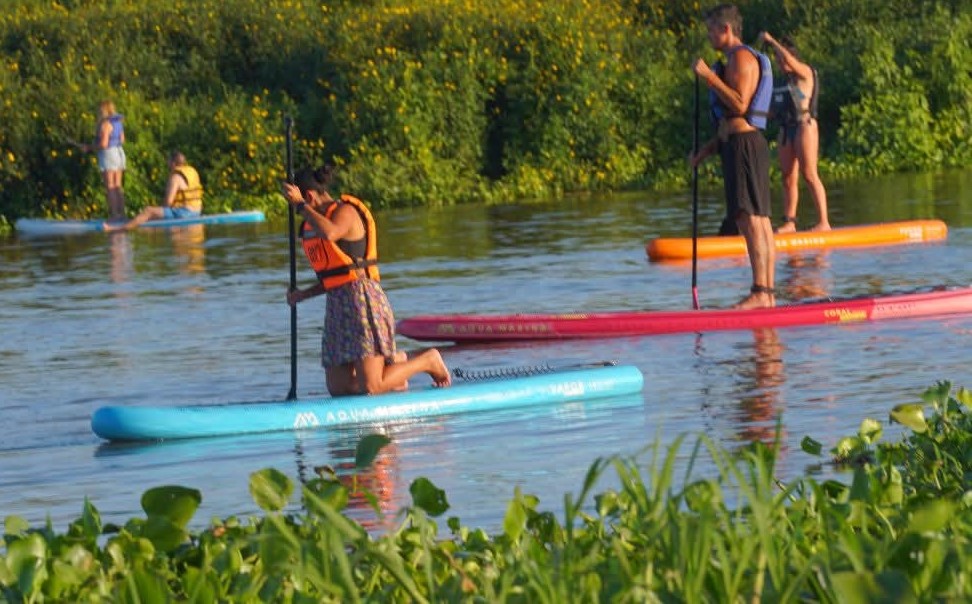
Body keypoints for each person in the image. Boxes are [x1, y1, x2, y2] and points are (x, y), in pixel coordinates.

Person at [280, 165, 452, 396]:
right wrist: (302, 295)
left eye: (300, 202)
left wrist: (300, 206)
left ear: (309, 196)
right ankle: (393, 370)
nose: (298, 210)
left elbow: (331, 233)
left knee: (372, 386)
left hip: (363, 301)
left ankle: (427, 361)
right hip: (337, 304)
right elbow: (336, 276)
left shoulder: (345, 212)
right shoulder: (314, 222)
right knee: (340, 389)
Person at [690, 4, 776, 309]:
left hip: (744, 145)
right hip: (740, 143)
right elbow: (730, 124)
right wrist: (706, 151)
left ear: (726, 29)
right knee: (756, 220)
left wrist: (708, 78)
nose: (709, 35)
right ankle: (765, 294)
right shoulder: (732, 59)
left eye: (711, 29)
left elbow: (739, 105)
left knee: (751, 220)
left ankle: (761, 292)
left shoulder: (740, 57)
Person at [759, 31, 830, 233]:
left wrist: (772, 41)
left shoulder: (805, 72)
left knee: (809, 174)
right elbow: (772, 112)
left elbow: (789, 59)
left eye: (782, 60)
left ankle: (824, 222)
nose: (780, 64)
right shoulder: (781, 83)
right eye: (778, 61)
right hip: (786, 128)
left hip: (805, 125)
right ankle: (790, 222)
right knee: (788, 177)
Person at [103, 151, 203, 232]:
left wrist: (156, 211)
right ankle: (137, 224)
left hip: (184, 213)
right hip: (197, 211)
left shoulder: (175, 177)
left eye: (168, 161)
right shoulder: (192, 171)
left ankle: (117, 229)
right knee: (152, 214)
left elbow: (168, 202)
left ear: (173, 163)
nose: (166, 163)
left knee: (148, 211)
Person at [78, 100, 127, 220]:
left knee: (110, 186)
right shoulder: (118, 122)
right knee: (118, 185)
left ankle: (115, 215)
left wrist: (89, 147)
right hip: (119, 153)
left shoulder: (105, 124)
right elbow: (122, 139)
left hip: (109, 154)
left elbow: (104, 144)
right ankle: (122, 214)